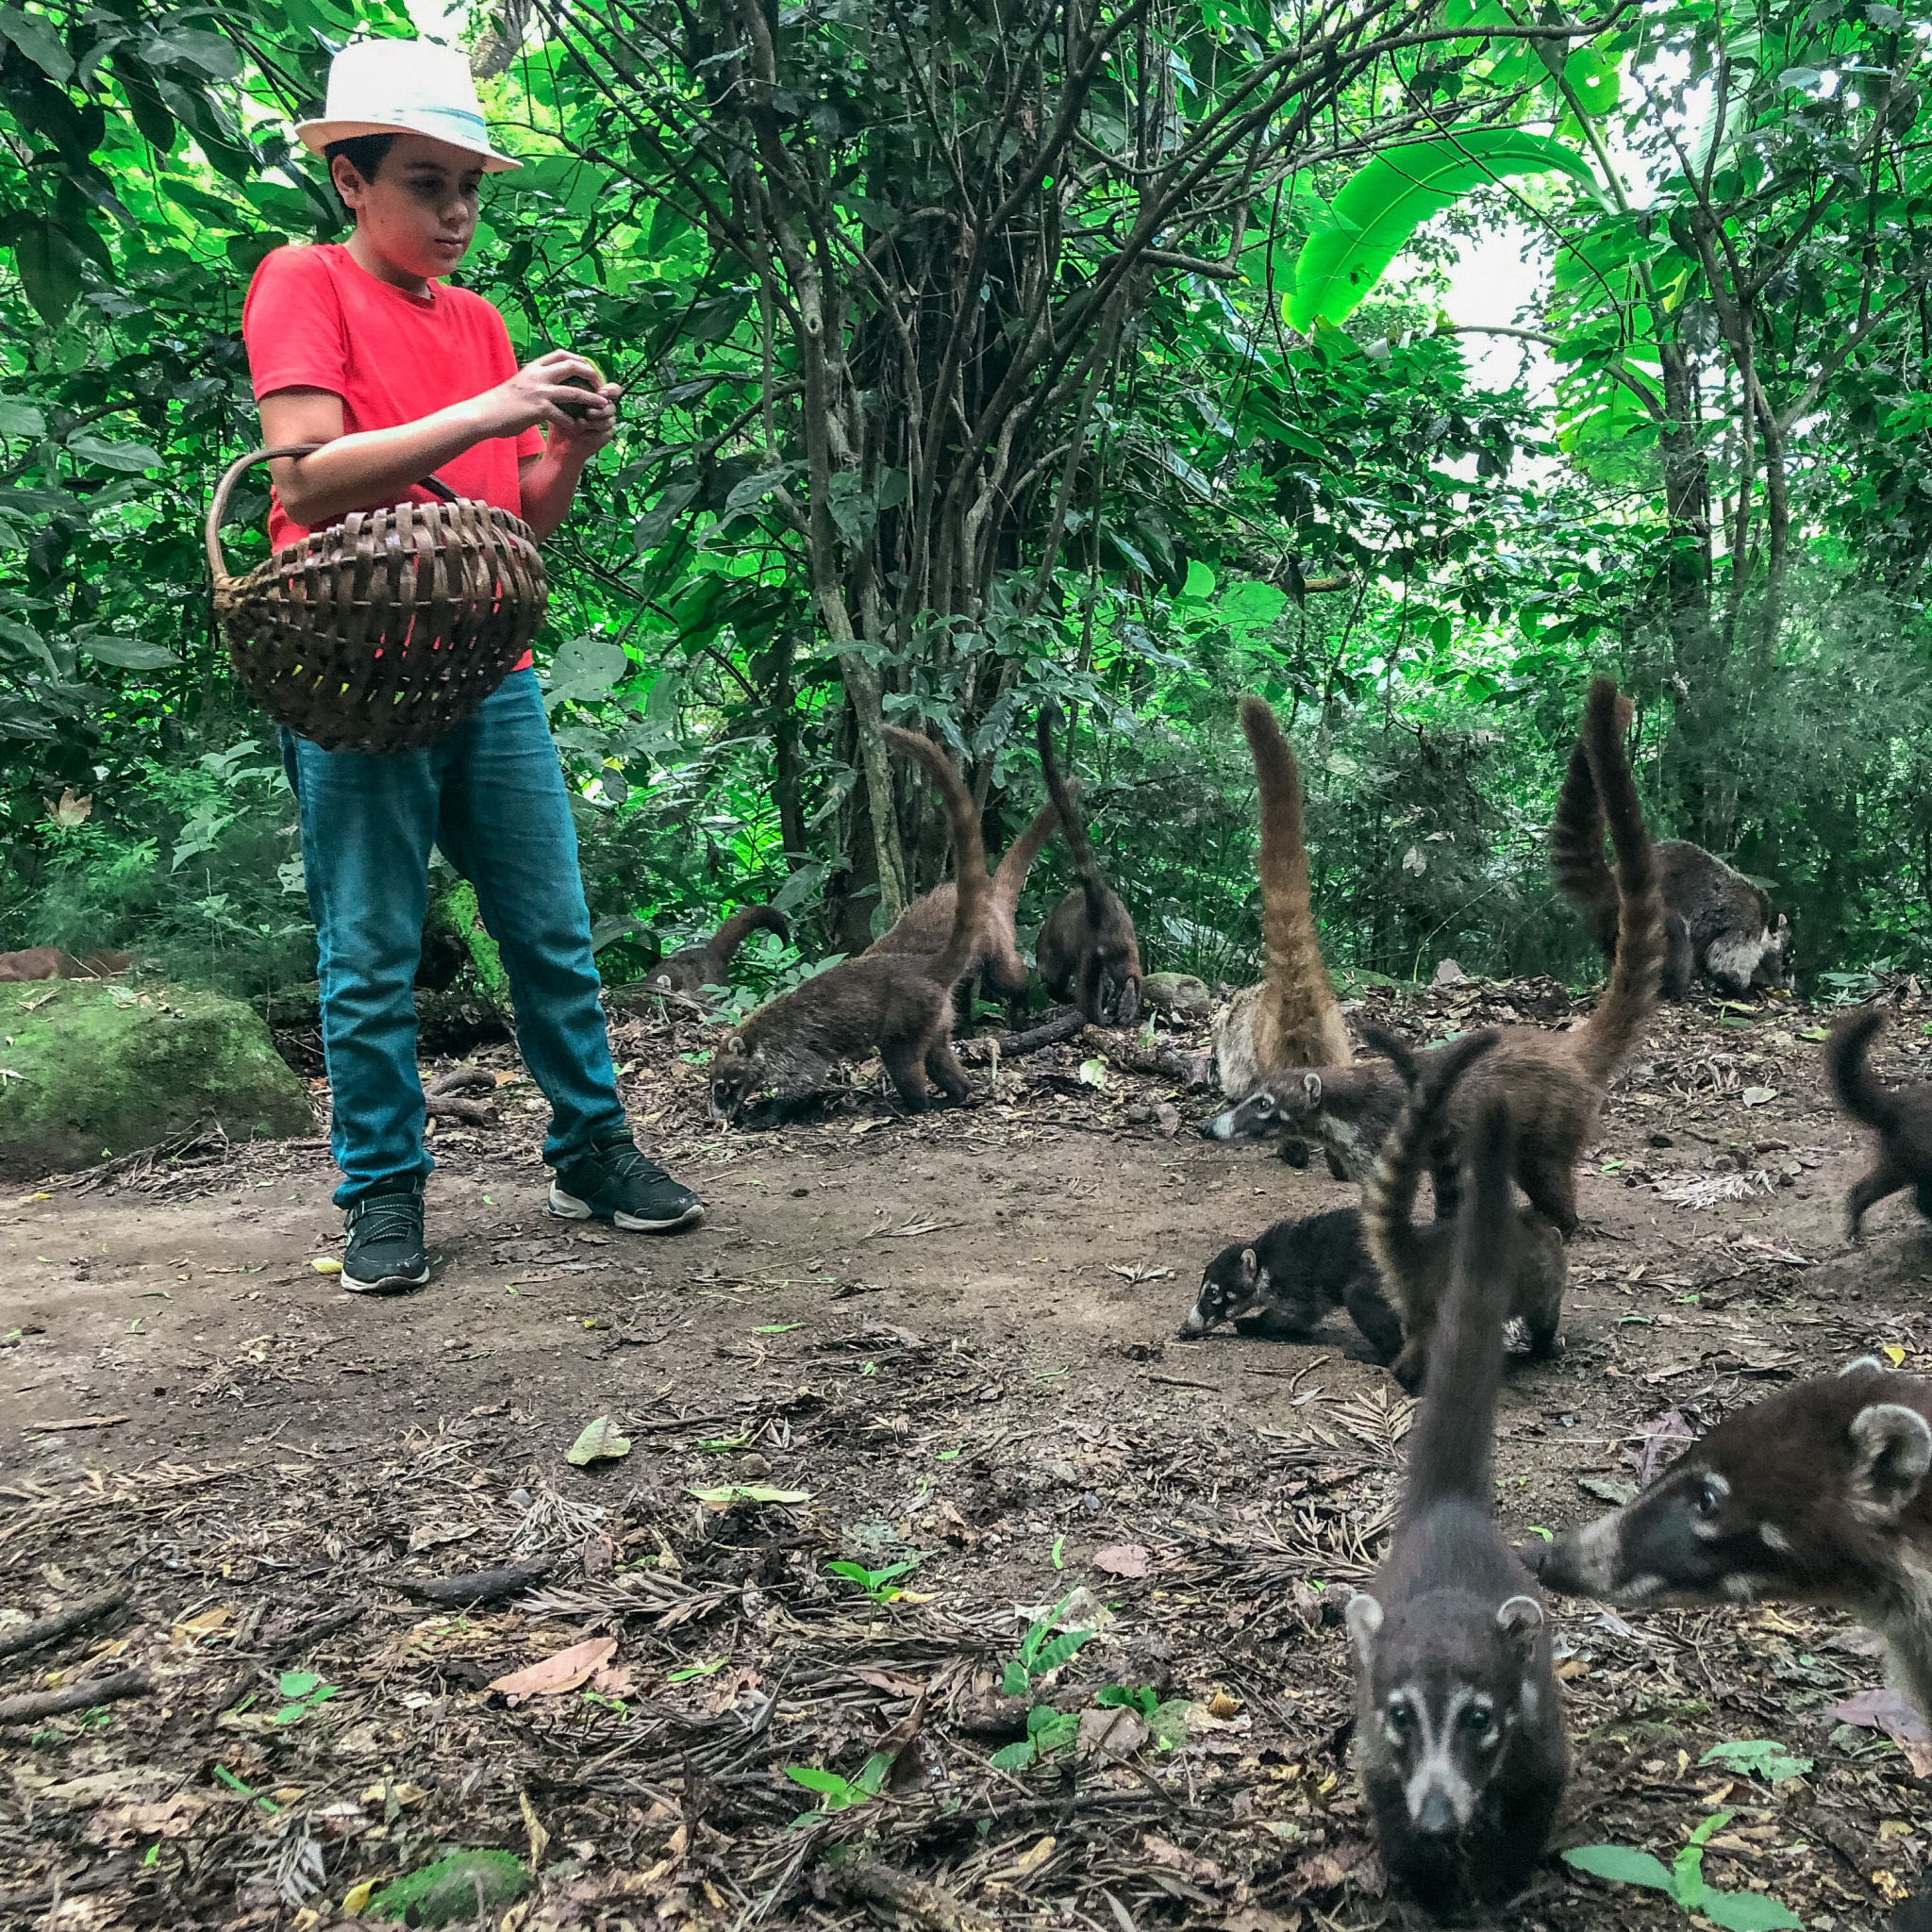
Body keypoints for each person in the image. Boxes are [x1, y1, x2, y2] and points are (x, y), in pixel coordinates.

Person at [242, 37, 701, 1293]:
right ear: (351, 178)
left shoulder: (481, 321)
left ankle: (590, 1146)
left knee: (549, 926)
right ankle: (383, 1192)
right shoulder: (305, 280)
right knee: (371, 946)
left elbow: (506, 524)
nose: (453, 212)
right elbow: (309, 478)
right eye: (424, 182)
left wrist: (565, 449)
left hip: (485, 664)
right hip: (353, 671)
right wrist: (492, 408)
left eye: (469, 187)